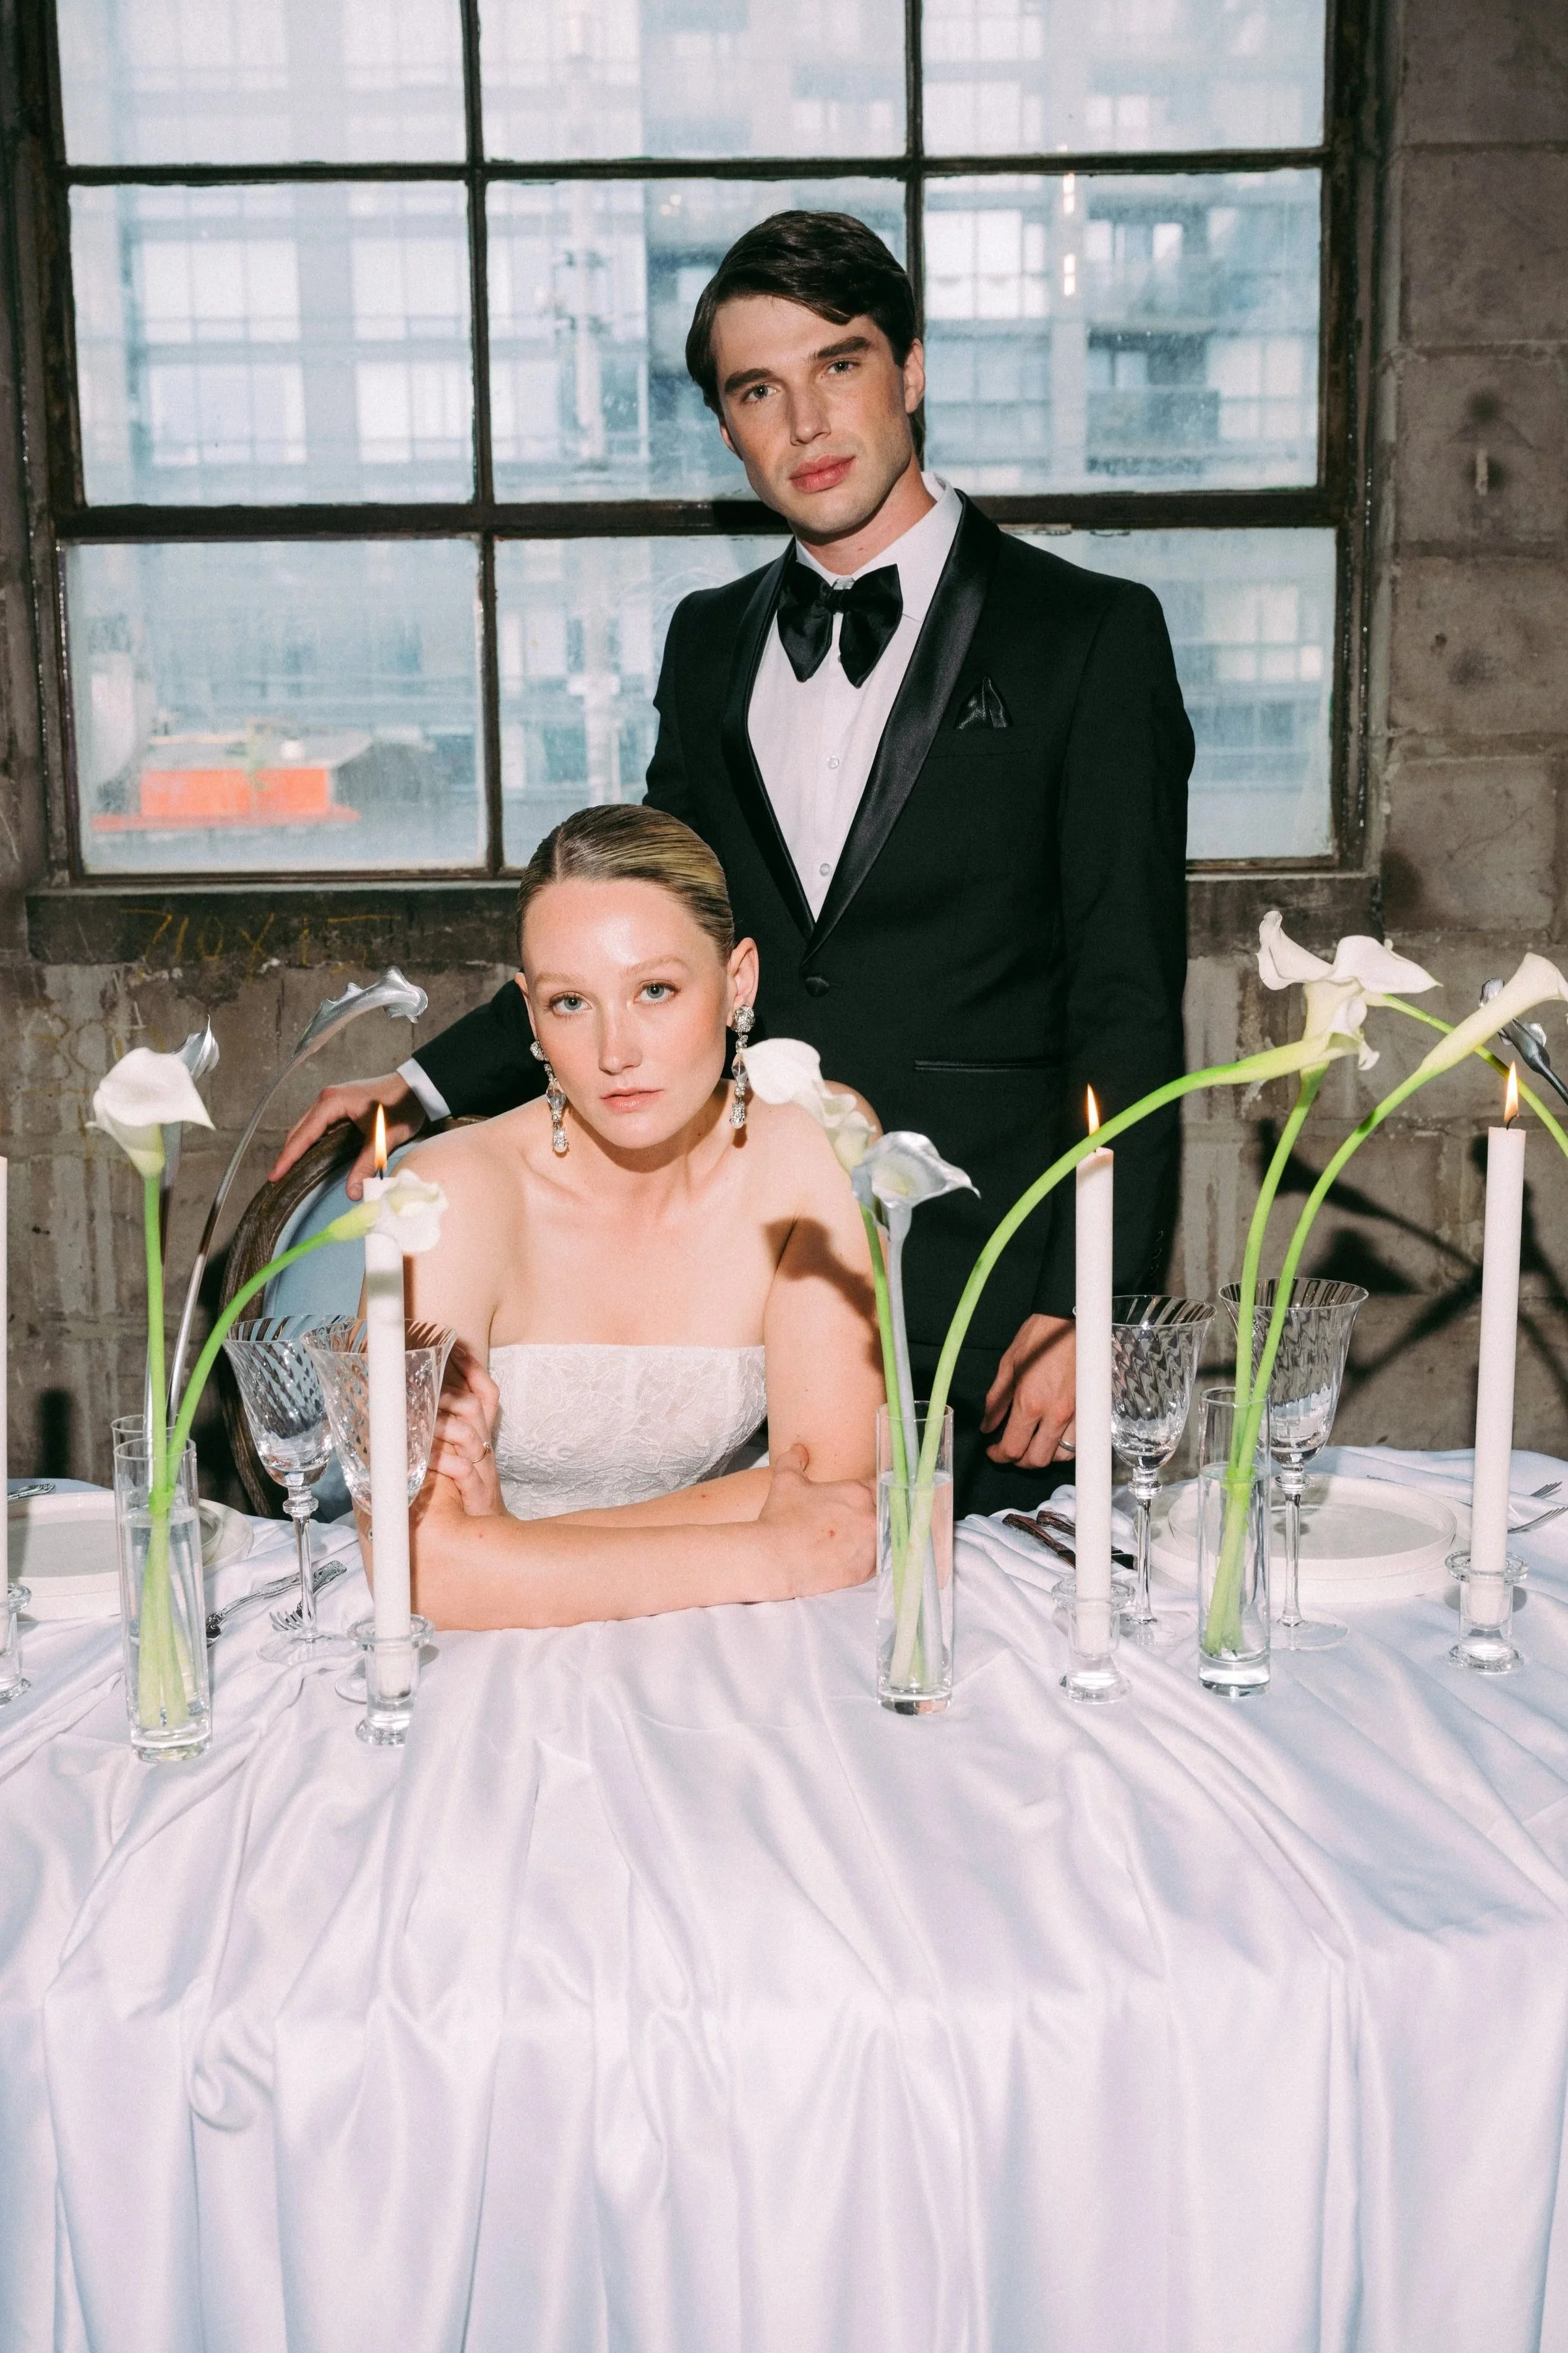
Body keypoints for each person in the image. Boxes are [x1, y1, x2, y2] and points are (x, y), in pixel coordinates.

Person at [276, 209, 1192, 1515]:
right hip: (736, 1270)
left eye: (842, 365)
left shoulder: (1090, 634)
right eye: (760, 389)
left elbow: (1131, 998)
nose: (807, 422)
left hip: (985, 1275)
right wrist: (421, 1084)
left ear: (913, 370)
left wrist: (1089, 1304)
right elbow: (644, 924)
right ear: (726, 427)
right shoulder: (709, 642)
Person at [388, 803, 879, 1631]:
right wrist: (767, 1547)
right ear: (532, 1017)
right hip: (498, 1668)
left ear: (740, 982)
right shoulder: (452, 1194)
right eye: (571, 1002)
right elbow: (415, 1567)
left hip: (738, 1646)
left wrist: (507, 1548)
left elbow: (841, 1492)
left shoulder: (815, 1145)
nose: (616, 1051)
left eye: (655, 989)